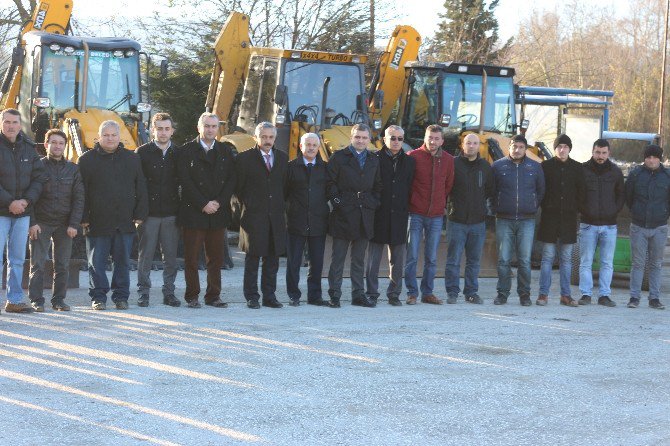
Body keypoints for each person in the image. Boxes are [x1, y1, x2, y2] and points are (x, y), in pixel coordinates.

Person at [79, 120, 148, 310]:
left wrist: (140, 213)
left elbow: (140, 187)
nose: (110, 139)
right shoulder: (86, 160)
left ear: (120, 137)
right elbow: (80, 192)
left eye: (113, 135)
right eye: (106, 135)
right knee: (96, 264)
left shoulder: (132, 159)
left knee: (122, 263)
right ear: (99, 137)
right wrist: (83, 218)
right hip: (96, 221)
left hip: (124, 221)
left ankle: (121, 297)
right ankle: (98, 297)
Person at [177, 112, 236, 309]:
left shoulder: (225, 152)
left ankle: (213, 296)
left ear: (218, 129)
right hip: (194, 212)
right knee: (192, 259)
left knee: (216, 258)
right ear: (199, 127)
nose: (210, 129)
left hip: (218, 212)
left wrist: (218, 202)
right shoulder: (186, 151)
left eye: (214, 126)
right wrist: (203, 203)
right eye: (207, 126)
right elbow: (185, 182)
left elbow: (230, 180)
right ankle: (192, 296)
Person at [326, 123, 382, 308]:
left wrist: (372, 203)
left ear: (369, 139)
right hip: (344, 213)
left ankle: (358, 294)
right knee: (338, 259)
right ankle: (335, 294)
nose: (361, 140)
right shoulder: (339, 157)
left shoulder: (374, 159)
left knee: (359, 259)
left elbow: (378, 186)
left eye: (364, 138)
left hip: (364, 214)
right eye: (357, 137)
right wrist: (338, 202)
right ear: (352, 138)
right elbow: (330, 183)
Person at [28, 129, 83, 312]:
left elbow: (79, 198)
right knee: (37, 263)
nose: (57, 146)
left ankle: (59, 300)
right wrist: (32, 222)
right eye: (53, 142)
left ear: (65, 146)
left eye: (61, 143)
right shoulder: (37, 167)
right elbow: (30, 196)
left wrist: (74, 224)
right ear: (46, 145)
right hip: (41, 223)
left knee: (62, 264)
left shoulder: (73, 169)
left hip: (64, 224)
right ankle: (37, 300)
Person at [236, 122, 288, 309]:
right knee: (253, 259)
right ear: (256, 138)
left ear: (275, 138)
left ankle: (269, 296)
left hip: (275, 217)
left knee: (272, 260)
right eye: (264, 137)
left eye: (271, 137)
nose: (267, 141)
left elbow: (284, 187)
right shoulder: (244, 159)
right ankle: (252, 296)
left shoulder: (282, 158)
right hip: (253, 216)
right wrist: (250, 204)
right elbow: (238, 188)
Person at [0, 108, 45, 313]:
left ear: (20, 124)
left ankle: (15, 300)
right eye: (7, 122)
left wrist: (25, 202)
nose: (11, 126)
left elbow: (38, 179)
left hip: (22, 213)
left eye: (14, 122)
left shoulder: (29, 148)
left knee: (17, 260)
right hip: (1, 212)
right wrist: (10, 202)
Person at [365, 125, 415, 306]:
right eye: (392, 138)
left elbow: (410, 187)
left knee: (397, 260)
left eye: (400, 139)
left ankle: (394, 294)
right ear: (384, 139)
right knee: (373, 260)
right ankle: (371, 293)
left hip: (400, 215)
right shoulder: (374, 159)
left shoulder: (409, 162)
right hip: (379, 214)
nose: (396, 142)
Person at [492, 135, 545, 306]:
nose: (517, 150)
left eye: (521, 147)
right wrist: (498, 206)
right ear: (510, 147)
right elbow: (492, 191)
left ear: (525, 149)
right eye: (514, 146)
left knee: (524, 260)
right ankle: (502, 293)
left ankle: (524, 294)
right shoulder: (498, 166)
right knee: (503, 260)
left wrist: (532, 205)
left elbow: (541, 190)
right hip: (503, 219)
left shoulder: (535, 167)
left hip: (527, 220)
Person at [404, 125, 454, 305]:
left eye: (436, 139)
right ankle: (412, 293)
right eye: (430, 138)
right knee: (412, 255)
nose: (432, 142)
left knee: (431, 258)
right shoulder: (413, 157)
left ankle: (427, 293)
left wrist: (440, 204)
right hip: (415, 213)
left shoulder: (448, 160)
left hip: (436, 216)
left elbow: (448, 186)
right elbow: (407, 184)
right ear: (425, 138)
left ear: (442, 141)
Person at [135, 113, 181, 308]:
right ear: (152, 130)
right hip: (149, 214)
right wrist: (138, 213)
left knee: (170, 257)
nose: (163, 132)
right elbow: (136, 185)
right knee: (145, 256)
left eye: (166, 129)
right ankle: (143, 293)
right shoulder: (142, 153)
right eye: (159, 128)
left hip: (171, 213)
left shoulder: (179, 154)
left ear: (172, 131)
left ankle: (169, 293)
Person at [536, 134, 585, 307]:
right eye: (559, 147)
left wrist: (575, 209)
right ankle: (543, 294)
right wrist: (547, 206)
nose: (562, 149)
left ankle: (566, 295)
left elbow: (582, 193)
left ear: (570, 149)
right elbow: (540, 190)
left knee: (566, 260)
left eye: (565, 146)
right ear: (555, 148)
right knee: (547, 258)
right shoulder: (545, 167)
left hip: (569, 221)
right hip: (549, 220)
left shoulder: (578, 168)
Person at [444, 133, 493, 304]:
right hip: (456, 220)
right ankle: (452, 292)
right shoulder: (453, 164)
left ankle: (471, 292)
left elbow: (489, 191)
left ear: (478, 146)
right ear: (462, 145)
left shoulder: (485, 167)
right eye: (468, 143)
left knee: (473, 261)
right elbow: (446, 187)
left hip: (478, 223)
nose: (471, 146)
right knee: (453, 259)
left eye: (474, 143)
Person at [285, 133, 330, 306]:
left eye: (314, 145)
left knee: (316, 262)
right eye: (308, 144)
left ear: (318, 147)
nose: (311, 148)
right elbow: (285, 193)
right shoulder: (291, 168)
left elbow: (329, 191)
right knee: (294, 262)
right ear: (301, 147)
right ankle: (293, 295)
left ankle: (315, 296)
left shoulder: (325, 168)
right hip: (296, 221)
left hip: (318, 221)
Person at [578, 139, 624, 307]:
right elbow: (577, 195)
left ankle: (604, 295)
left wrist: (613, 211)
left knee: (606, 262)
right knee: (586, 261)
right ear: (592, 151)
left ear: (608, 153)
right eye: (598, 152)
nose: (600, 156)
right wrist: (585, 211)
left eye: (604, 153)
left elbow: (621, 196)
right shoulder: (582, 170)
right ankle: (586, 294)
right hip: (588, 224)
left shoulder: (616, 172)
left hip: (609, 225)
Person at [624, 144, 670, 310]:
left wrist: (664, 214)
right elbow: (628, 197)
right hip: (639, 226)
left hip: (659, 227)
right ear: (644, 158)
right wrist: (636, 212)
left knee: (656, 264)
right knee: (637, 264)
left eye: (655, 157)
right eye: (648, 157)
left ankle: (654, 299)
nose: (651, 160)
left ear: (660, 158)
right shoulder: (635, 174)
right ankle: (634, 298)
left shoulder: (667, 176)